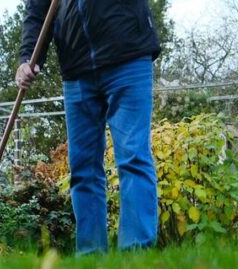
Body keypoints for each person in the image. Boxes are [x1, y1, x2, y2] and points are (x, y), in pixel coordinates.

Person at [17, 0, 161, 254]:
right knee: (83, 169)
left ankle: (136, 255)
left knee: (133, 156)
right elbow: (38, 9)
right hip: (77, 68)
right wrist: (28, 56)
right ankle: (91, 257)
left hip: (127, 54)